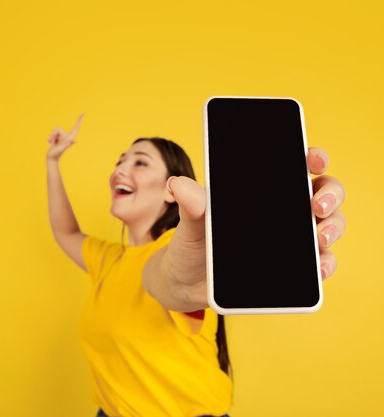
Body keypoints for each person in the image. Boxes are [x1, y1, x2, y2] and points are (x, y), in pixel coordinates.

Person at [45, 114, 346, 417]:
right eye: (120, 161)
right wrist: (52, 162)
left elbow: (166, 279)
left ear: (170, 190)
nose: (119, 169)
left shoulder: (180, 248)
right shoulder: (109, 259)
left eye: (140, 162)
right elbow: (65, 232)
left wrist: (184, 278)